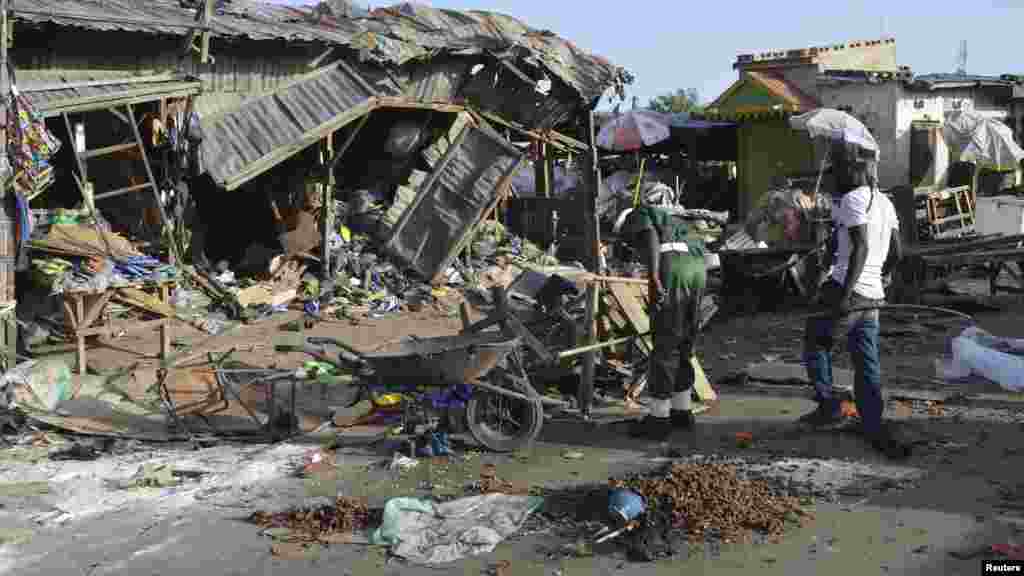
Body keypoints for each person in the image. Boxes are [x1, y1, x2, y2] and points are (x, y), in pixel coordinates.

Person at [800, 149, 909, 459]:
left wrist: (845, 294)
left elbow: (860, 246)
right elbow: (898, 253)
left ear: (855, 171)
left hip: (848, 289)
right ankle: (872, 421)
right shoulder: (886, 203)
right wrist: (882, 278)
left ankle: (829, 407)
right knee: (866, 360)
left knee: (816, 343)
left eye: (839, 173)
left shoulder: (852, 200)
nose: (836, 179)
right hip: (874, 294)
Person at [613, 205, 706, 440]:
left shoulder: (639, 214)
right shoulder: (673, 221)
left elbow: (650, 237)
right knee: (684, 343)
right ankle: (682, 412)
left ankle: (658, 420)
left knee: (665, 343)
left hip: (673, 271)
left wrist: (653, 276)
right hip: (697, 269)